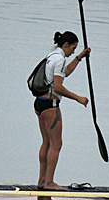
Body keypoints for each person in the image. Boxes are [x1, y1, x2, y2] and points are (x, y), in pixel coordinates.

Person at [34, 31, 90, 191]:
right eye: (73, 48)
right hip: (51, 105)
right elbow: (58, 86)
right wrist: (78, 98)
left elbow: (65, 72)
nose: (72, 51)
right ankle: (49, 183)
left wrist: (79, 57)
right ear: (66, 45)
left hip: (40, 103)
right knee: (56, 144)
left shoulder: (52, 56)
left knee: (47, 142)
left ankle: (42, 181)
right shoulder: (59, 59)